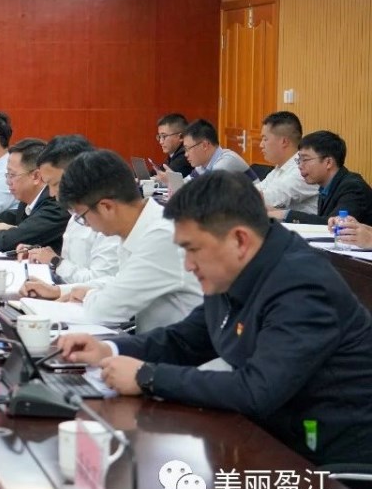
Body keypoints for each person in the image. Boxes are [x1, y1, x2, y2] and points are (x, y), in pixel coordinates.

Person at [57, 171, 372, 470]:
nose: (188, 265)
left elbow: (256, 390)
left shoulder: (302, 286)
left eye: (193, 249)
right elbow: (187, 339)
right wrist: (109, 349)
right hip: (270, 439)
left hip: (328, 462)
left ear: (239, 240)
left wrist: (147, 376)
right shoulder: (238, 265)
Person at [20, 150, 202, 332]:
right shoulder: (140, 225)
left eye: (83, 217)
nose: (87, 225)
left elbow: (107, 310)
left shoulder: (162, 236)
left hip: (177, 346)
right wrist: (60, 291)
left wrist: (88, 294)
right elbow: (120, 281)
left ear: (106, 206)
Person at [17, 135, 120, 286]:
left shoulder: (108, 215)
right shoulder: (75, 213)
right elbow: (75, 265)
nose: (52, 193)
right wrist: (42, 255)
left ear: (78, 174)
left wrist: (55, 262)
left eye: (55, 184)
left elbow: (100, 283)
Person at [0, 138, 68, 253]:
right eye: (7, 174)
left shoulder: (55, 206)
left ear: (36, 176)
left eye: (12, 175)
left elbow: (6, 242)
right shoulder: (26, 203)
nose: (8, 182)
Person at [274, 130, 372, 225]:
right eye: (299, 160)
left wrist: (285, 214)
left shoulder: (353, 188)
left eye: (305, 159)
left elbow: (334, 225)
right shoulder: (324, 187)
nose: (300, 166)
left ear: (328, 162)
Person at [256, 111, 317, 214]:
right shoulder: (281, 167)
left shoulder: (302, 170)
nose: (261, 145)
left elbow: (264, 199)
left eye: (265, 139)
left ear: (284, 142)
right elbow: (258, 189)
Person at [181, 119, 257, 181]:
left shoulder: (227, 161)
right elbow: (185, 184)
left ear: (205, 145)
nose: (186, 154)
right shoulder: (203, 165)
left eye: (188, 149)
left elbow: (208, 191)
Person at [154, 113, 193, 179]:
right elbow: (157, 172)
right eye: (159, 136)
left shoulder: (184, 155)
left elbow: (163, 177)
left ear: (181, 137)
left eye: (164, 136)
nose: (161, 142)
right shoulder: (173, 154)